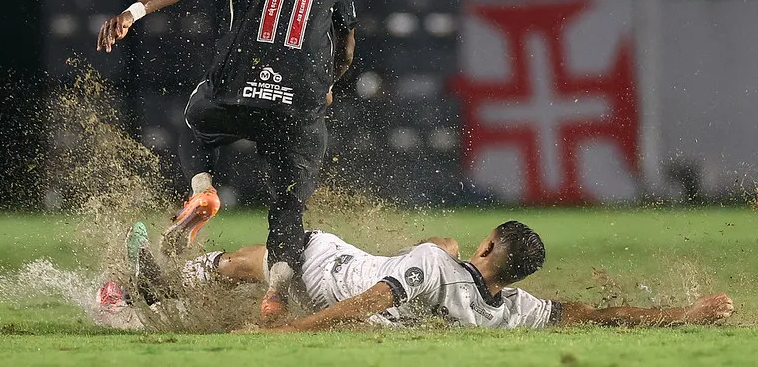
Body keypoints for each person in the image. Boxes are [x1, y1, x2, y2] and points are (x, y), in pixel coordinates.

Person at [96, 0, 358, 317]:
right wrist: (330, 85)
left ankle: (202, 190)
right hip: (299, 101)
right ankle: (276, 293)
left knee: (196, 125)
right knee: (288, 207)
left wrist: (134, 12)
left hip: (237, 85)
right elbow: (348, 42)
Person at [108, 220, 734, 331]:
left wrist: (299, 331)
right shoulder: (511, 311)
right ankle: (185, 287)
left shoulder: (433, 265)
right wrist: (686, 313)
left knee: (279, 250)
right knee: (438, 243)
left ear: (492, 245)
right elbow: (597, 316)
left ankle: (164, 283)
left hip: (338, 275)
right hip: (380, 290)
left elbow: (375, 296)